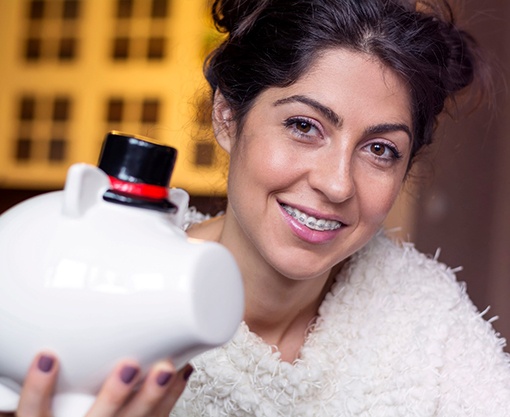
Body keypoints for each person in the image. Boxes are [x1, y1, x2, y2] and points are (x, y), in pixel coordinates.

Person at [3, 0, 510, 416]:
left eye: (380, 150)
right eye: (304, 126)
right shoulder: (94, 291)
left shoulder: (426, 318)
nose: (336, 184)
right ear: (227, 117)